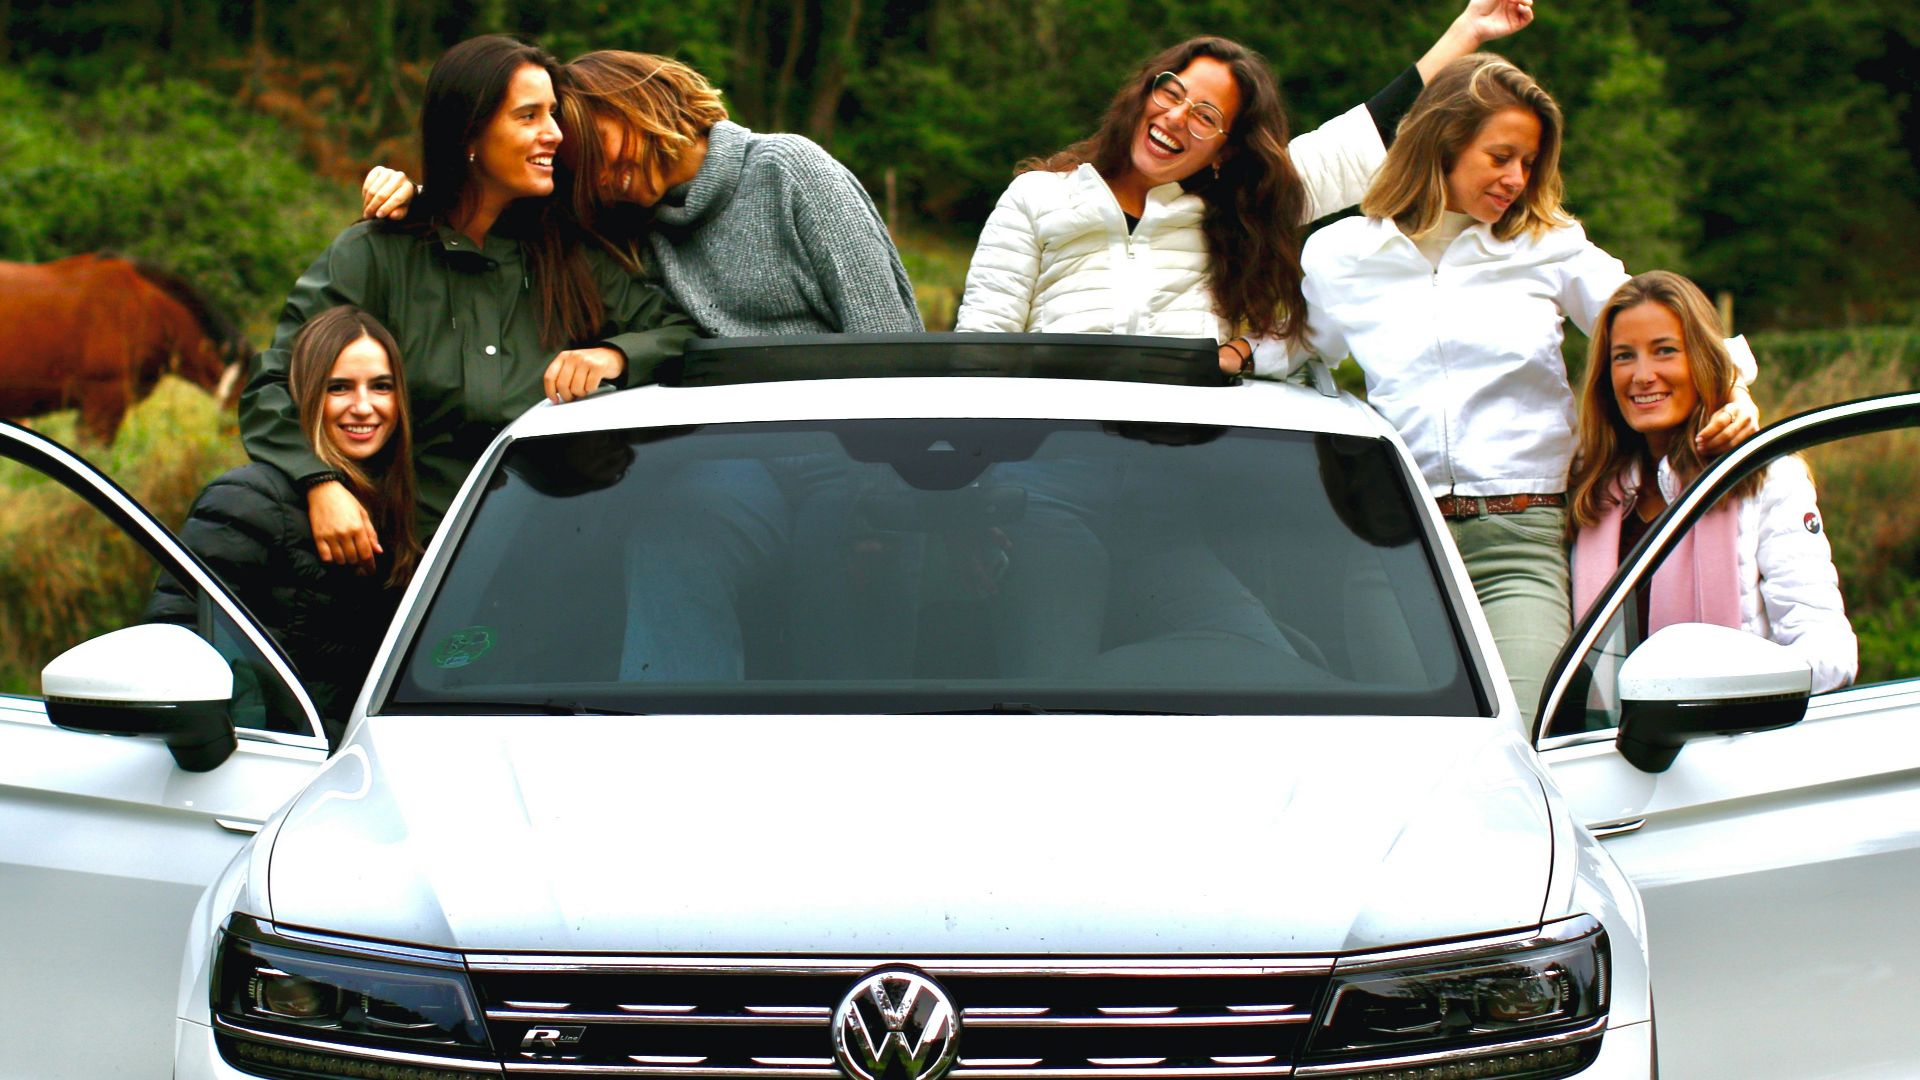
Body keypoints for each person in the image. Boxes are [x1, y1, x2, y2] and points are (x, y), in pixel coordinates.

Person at [1267, 54, 1761, 721]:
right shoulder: (1342, 253)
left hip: (1521, 540)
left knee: (1519, 740)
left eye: (1528, 162)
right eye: (1501, 156)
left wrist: (1734, 390)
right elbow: (1286, 354)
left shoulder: (1546, 245)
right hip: (1393, 542)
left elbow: (1656, 322)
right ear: (1443, 140)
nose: (1517, 178)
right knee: (1413, 745)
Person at [245, 35, 696, 566]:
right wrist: (319, 483)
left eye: (552, 114)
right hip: (399, 575)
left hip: (553, 558)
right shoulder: (375, 255)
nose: (554, 133)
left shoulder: (571, 258)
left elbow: (680, 333)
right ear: (470, 136)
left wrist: (615, 355)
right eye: (528, 116)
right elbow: (274, 385)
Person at [955, 0, 1538, 374]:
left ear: (1225, 149)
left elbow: (1363, 140)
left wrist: (1468, 30)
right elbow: (981, 346)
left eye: (1206, 116)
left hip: (1184, 457)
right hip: (1053, 455)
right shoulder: (1039, 198)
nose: (1178, 118)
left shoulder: (1237, 206)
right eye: (1171, 92)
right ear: (1143, 93)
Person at [363, 50, 920, 336]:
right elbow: (495, 218)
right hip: (725, 463)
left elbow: (889, 339)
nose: (603, 178)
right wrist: (417, 196)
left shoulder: (790, 171)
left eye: (598, 145)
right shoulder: (625, 225)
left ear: (637, 101)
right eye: (581, 170)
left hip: (844, 447)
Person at [1569, 271, 1856, 692]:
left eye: (1665, 351)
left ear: (1702, 360)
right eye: (1623, 356)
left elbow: (1829, 652)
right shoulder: (1592, 490)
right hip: (1606, 749)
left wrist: (1728, 695)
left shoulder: (1764, 477)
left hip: (1735, 740)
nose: (1642, 375)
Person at [150, 306, 421, 733]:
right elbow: (176, 645)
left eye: (381, 387)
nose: (364, 407)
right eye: (339, 388)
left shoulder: (403, 507)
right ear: (307, 393)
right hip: (266, 769)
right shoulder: (246, 500)